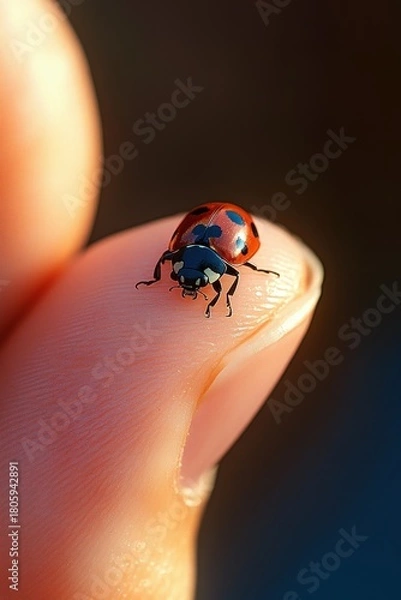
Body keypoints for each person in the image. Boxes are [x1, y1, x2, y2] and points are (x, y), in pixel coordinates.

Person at [0, 1, 323, 598]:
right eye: (194, 280)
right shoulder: (192, 255)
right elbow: (186, 257)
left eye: (199, 281)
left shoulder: (222, 260)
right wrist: (169, 281)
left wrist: (217, 296)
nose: (193, 283)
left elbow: (221, 265)